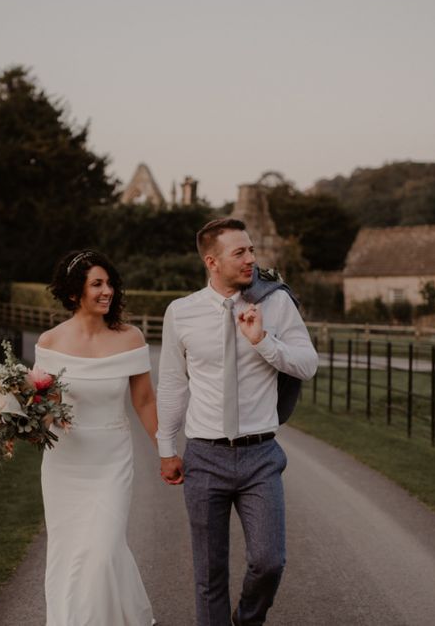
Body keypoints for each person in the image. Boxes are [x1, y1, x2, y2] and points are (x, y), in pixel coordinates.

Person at [156, 218, 318, 626]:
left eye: (251, 250)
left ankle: (247, 620)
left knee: (269, 562)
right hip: (204, 457)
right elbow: (173, 384)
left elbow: (308, 365)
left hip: (260, 455)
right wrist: (166, 448)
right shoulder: (181, 312)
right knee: (209, 574)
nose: (252, 259)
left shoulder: (276, 303)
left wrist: (263, 341)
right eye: (240, 252)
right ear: (212, 261)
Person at [36, 249, 158, 626]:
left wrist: (167, 451)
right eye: (97, 284)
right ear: (75, 293)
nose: (107, 291)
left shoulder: (130, 338)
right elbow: (44, 404)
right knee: (70, 551)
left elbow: (144, 400)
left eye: (109, 284)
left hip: (111, 459)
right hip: (65, 463)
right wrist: (29, 422)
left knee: (104, 550)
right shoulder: (51, 342)